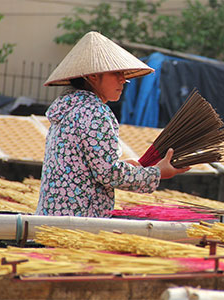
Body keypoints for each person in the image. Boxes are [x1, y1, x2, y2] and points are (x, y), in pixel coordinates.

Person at [36, 31, 189, 218]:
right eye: (116, 73)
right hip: (79, 222)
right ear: (92, 76)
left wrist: (124, 166)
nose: (123, 80)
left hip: (50, 217)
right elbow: (109, 175)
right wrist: (157, 173)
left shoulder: (66, 109)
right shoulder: (95, 112)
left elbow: (85, 168)